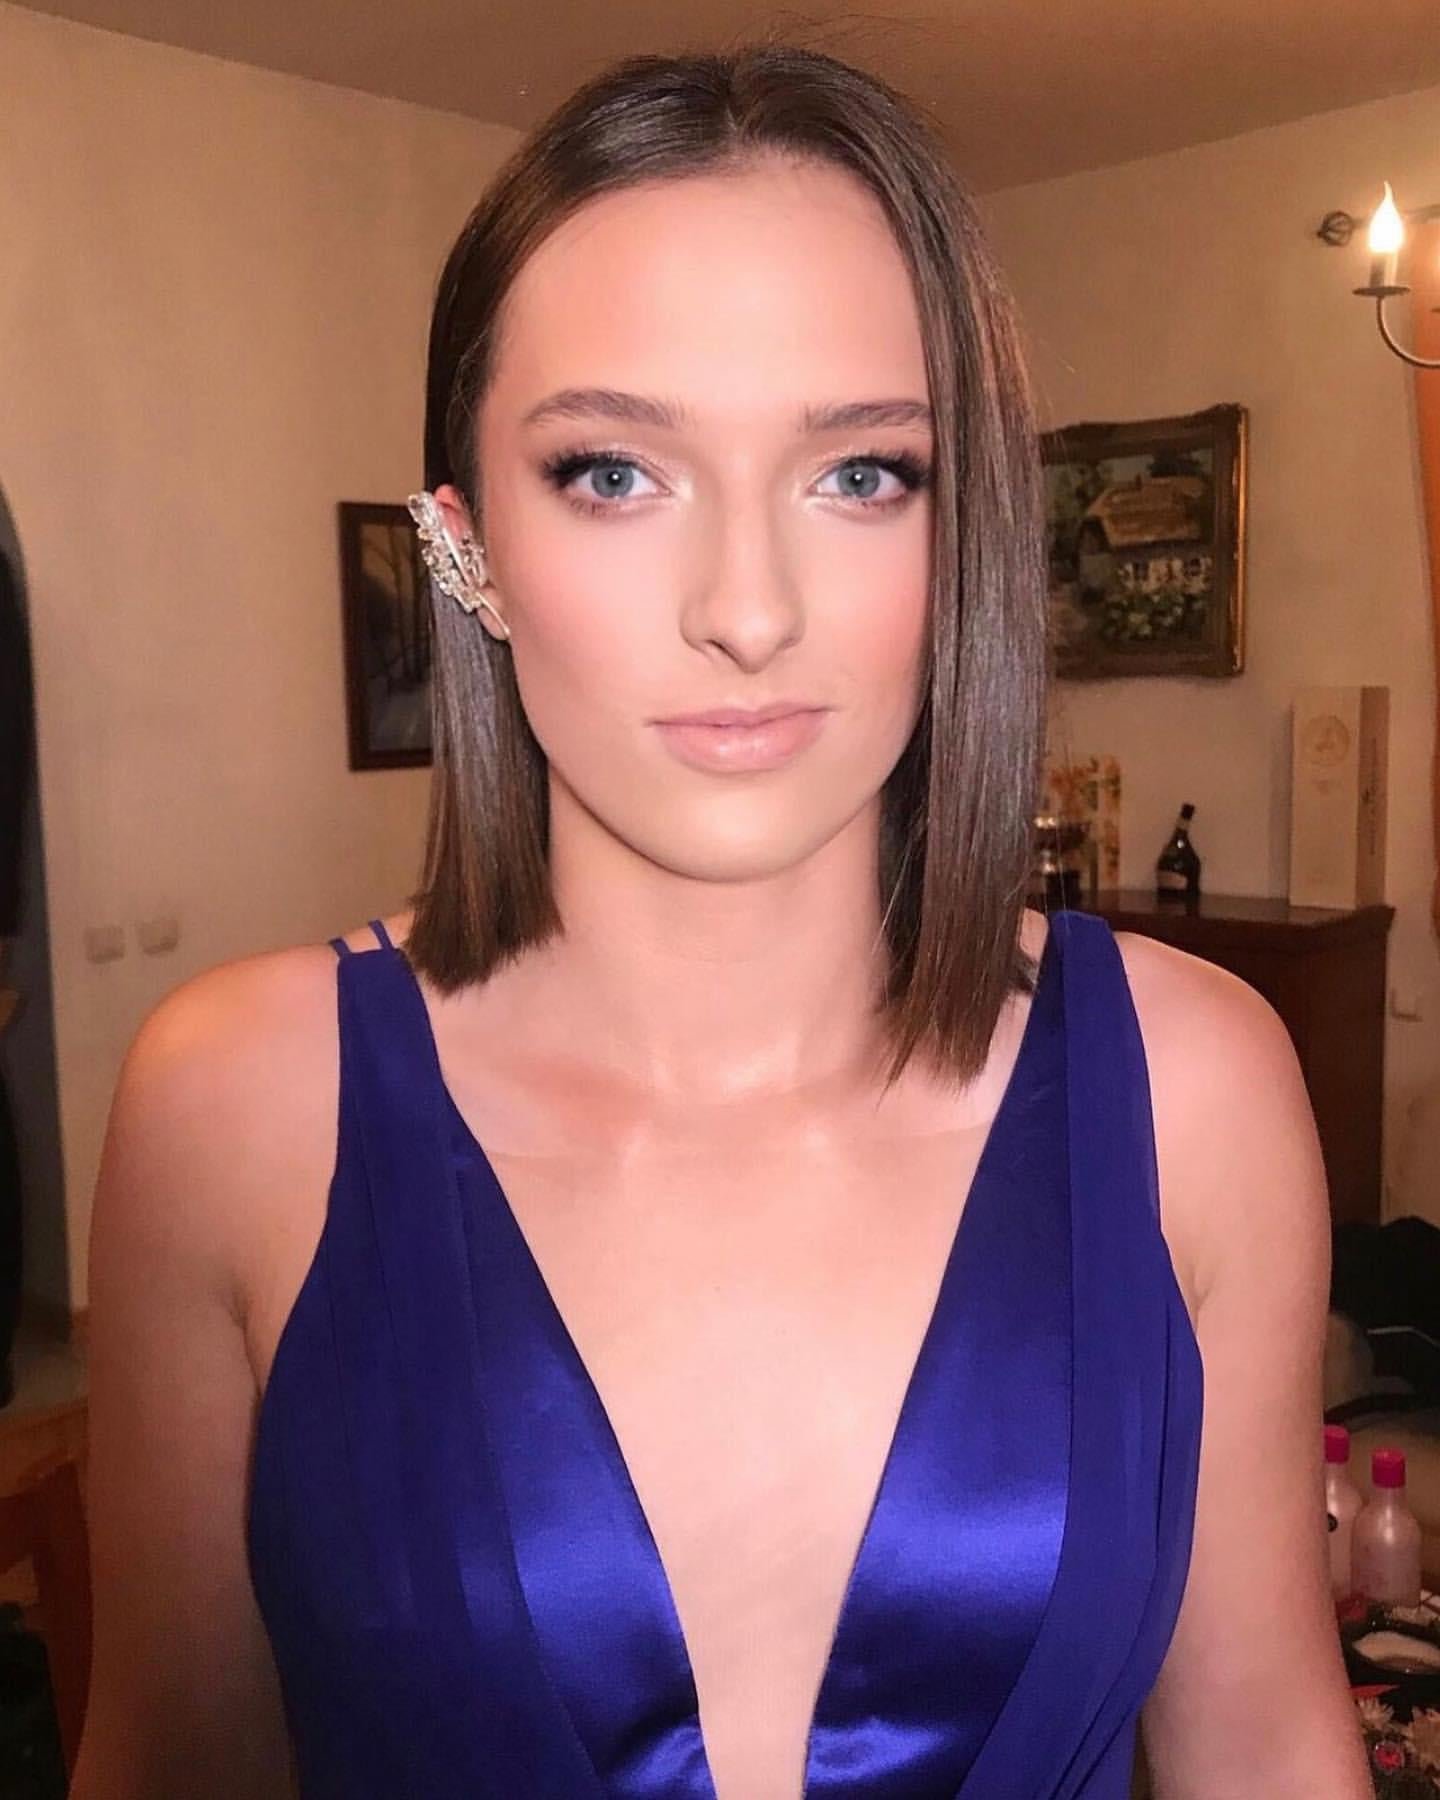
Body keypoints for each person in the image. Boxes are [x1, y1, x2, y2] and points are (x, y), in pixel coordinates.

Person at [70, 43, 1371, 1800]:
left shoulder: (1196, 1089)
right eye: (615, 471)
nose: (747, 610)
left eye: (860, 476)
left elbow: (1269, 1744)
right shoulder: (231, 1112)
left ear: (963, 520)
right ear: (464, 553)